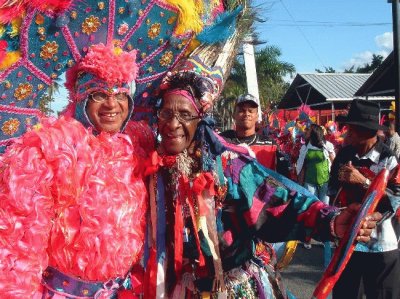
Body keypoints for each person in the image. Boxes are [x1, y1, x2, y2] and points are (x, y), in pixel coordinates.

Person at [142, 57, 382, 298]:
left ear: (200, 120)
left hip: (227, 287)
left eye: (185, 114)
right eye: (165, 113)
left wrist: (330, 220)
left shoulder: (226, 165)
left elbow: (277, 201)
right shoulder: (148, 167)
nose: (173, 124)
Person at [0, 43, 150, 298]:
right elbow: (17, 249)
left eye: (121, 93)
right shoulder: (48, 150)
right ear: (81, 98)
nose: (111, 104)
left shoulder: (138, 147)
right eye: (99, 94)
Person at [329, 99, 400, 299]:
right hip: (347, 245)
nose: (347, 133)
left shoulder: (389, 159)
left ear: (368, 133)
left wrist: (364, 182)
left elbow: (395, 200)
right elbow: (331, 192)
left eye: (352, 129)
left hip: (382, 247)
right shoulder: (344, 155)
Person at [220, 93, 290, 176]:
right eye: (241, 111)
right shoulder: (221, 141)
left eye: (251, 111)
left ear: (257, 116)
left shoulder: (271, 146)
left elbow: (284, 179)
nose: (247, 114)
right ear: (234, 115)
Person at [296, 124, 335, 255]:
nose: (305, 132)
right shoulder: (305, 148)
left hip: (325, 182)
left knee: (325, 211)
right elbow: (301, 167)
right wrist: (300, 185)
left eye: (308, 130)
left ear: (315, 132)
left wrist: (335, 182)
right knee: (310, 209)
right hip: (309, 182)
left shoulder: (327, 145)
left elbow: (334, 163)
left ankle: (325, 238)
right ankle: (307, 238)